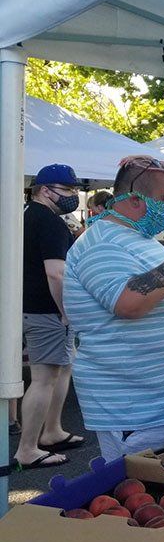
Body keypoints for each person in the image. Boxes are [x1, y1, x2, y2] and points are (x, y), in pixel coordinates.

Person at [63, 155, 164, 460]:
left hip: (162, 404)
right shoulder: (101, 243)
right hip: (138, 411)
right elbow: (128, 302)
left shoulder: (135, 238)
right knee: (137, 488)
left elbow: (161, 286)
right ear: (136, 200)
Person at [15, 164, 83, 470]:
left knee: (62, 368)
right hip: (47, 310)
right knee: (43, 379)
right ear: (46, 190)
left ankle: (52, 430)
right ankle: (27, 449)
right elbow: (56, 274)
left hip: (30, 306)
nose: (72, 196)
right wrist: (66, 312)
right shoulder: (52, 224)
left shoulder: (24, 217)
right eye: (67, 190)